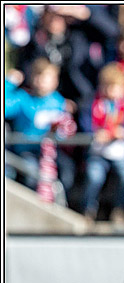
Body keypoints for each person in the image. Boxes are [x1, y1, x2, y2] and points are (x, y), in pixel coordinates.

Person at [3, 58, 76, 197]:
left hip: (50, 152)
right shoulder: (23, 98)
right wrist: (9, 84)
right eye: (38, 76)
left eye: (46, 77)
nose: (42, 81)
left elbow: (65, 131)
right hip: (26, 151)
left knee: (67, 172)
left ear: (55, 81)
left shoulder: (59, 102)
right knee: (31, 173)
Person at [80, 63, 124, 225]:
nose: (111, 91)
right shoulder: (92, 104)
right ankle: (88, 209)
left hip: (120, 152)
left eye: (116, 87)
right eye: (108, 87)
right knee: (94, 176)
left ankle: (119, 209)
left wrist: (123, 132)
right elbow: (86, 125)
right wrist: (95, 134)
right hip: (98, 152)